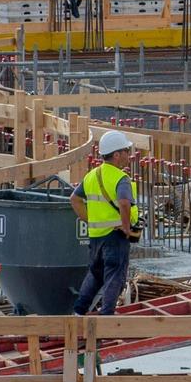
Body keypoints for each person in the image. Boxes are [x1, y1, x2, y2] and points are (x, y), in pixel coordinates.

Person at [69, 131, 141, 316]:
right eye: (125, 150)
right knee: (114, 277)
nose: (128, 154)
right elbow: (124, 203)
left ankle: (78, 312)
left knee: (95, 275)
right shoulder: (120, 178)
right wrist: (126, 226)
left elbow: (74, 199)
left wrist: (90, 220)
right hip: (115, 237)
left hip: (96, 238)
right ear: (116, 155)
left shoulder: (92, 175)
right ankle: (106, 317)